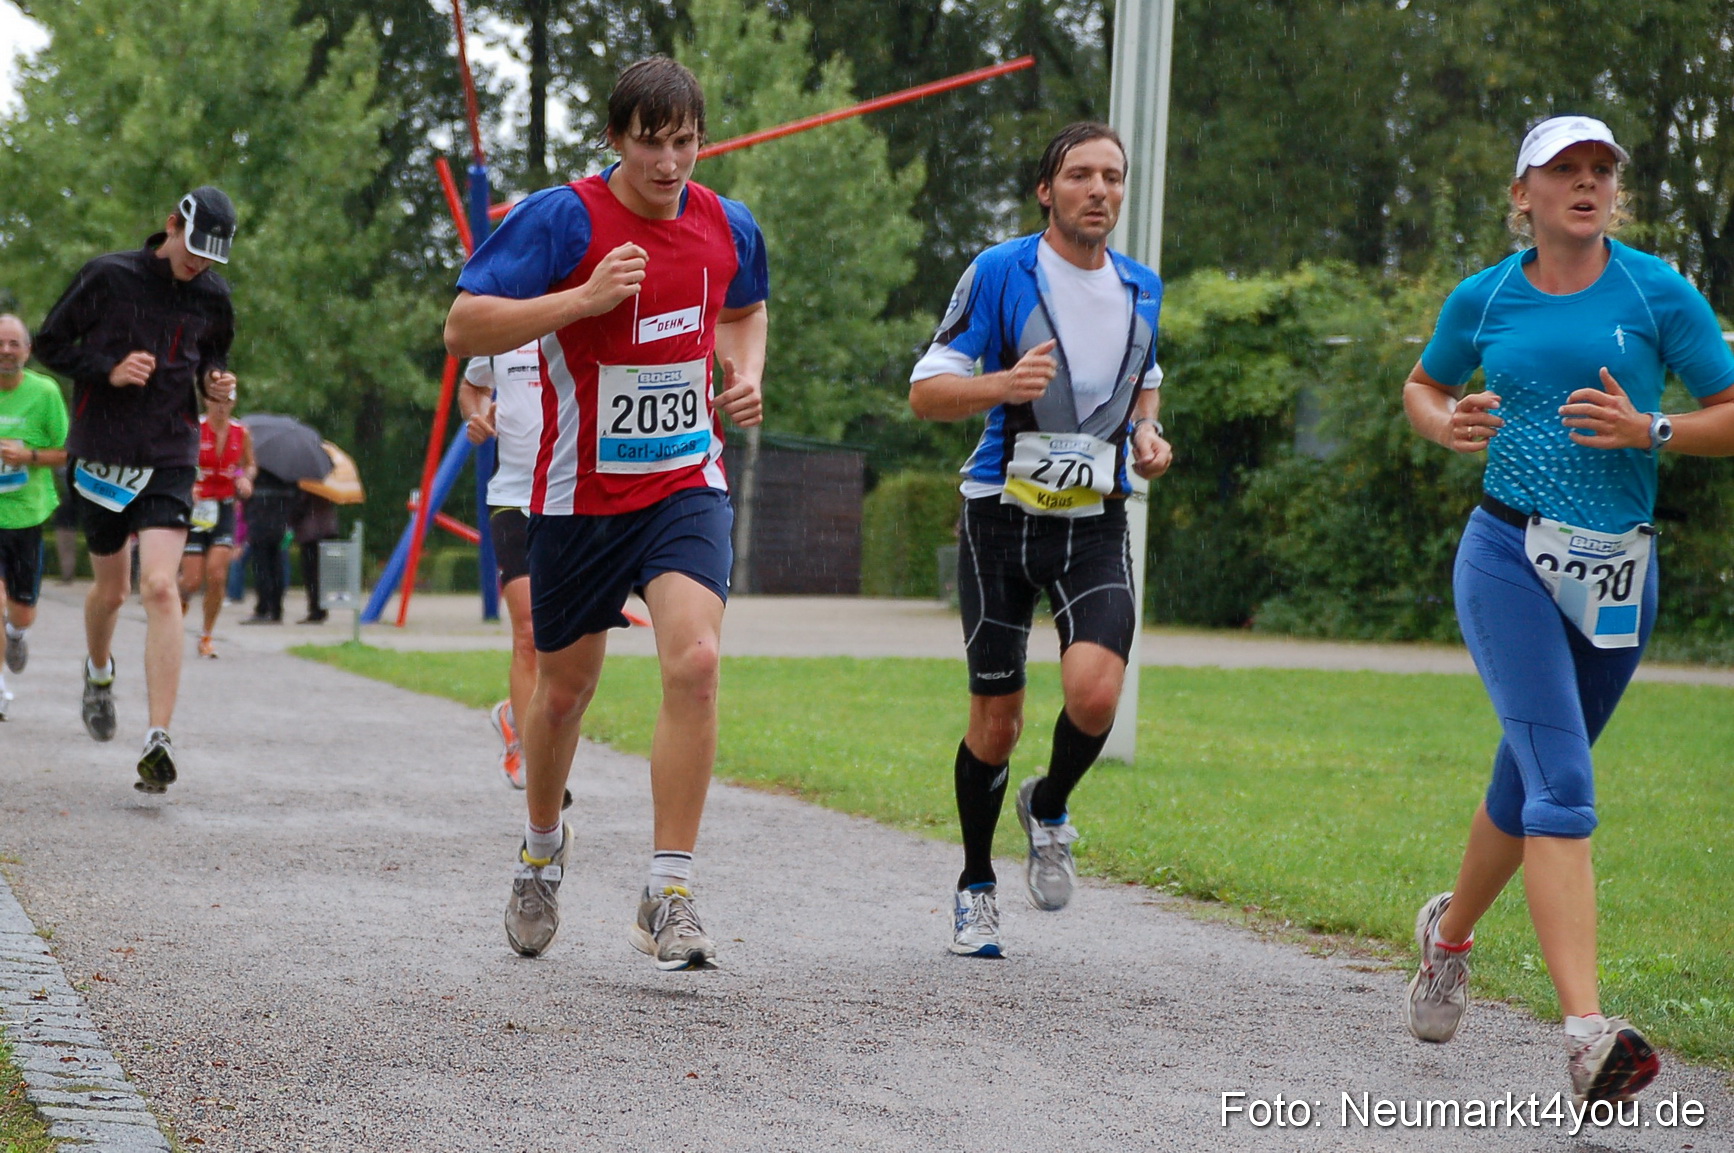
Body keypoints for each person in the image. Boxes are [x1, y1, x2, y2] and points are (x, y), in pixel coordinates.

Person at [1401, 115, 1734, 1103]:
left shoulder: (1655, 289)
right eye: (1565, 171)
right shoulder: (1487, 294)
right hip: (1506, 553)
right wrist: (1446, 422)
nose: (1587, 184)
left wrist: (1652, 426)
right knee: (1565, 787)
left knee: (1529, 777)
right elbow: (1423, 386)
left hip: (1620, 570)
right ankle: (1588, 1033)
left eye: (1601, 171)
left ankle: (1447, 937)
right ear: (1525, 194)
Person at [445, 56, 768, 970]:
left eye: (685, 142)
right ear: (616, 140)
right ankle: (542, 848)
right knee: (563, 692)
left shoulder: (726, 223)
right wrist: (581, 300)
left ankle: (669, 890)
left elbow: (747, 308)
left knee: (697, 659)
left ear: (702, 139)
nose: (670, 164)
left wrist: (744, 378)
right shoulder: (562, 219)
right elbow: (464, 327)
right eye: (650, 143)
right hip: (573, 494)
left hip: (681, 480)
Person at [908, 123, 1171, 958]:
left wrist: (1149, 437)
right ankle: (976, 882)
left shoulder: (1143, 287)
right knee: (998, 719)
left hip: (1093, 521)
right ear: (1046, 190)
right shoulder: (1000, 271)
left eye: (1113, 177)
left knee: (1095, 693)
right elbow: (926, 389)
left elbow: (1144, 382)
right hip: (999, 518)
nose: (1100, 190)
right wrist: (1001, 384)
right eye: (1082, 175)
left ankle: (1049, 804)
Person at [34, 186, 239, 791]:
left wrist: (218, 385)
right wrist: (110, 368)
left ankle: (158, 739)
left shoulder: (213, 295)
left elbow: (213, 358)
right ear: (172, 225)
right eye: (193, 249)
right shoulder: (106, 276)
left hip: (172, 451)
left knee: (158, 585)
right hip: (101, 451)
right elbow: (50, 345)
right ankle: (99, 671)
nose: (198, 264)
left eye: (210, 256)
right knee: (111, 591)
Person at [459, 346, 545, 789]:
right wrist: (477, 417)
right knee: (529, 633)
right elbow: (473, 384)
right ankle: (533, 758)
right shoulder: (502, 321)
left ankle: (516, 714)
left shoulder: (583, 307)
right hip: (513, 493)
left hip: (578, 496)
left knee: (572, 643)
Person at [0, 315, 71, 719]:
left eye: (14, 343)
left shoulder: (45, 393)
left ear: (27, 350)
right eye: (0, 343)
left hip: (27, 515)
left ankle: (17, 633)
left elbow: (67, 453)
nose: (6, 351)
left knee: (21, 609)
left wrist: (25, 455)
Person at [179, 390, 254, 657]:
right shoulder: (194, 429)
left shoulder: (240, 432)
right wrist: (187, 485)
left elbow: (250, 464)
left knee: (217, 574)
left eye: (227, 402)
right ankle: (175, 616)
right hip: (197, 508)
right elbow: (177, 461)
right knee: (191, 580)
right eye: (216, 401)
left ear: (233, 403)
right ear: (207, 401)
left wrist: (245, 478)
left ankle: (206, 635)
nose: (221, 407)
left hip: (223, 508)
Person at [241, 467, 295, 625]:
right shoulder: (287, 472)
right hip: (279, 524)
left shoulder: (255, 470)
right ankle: (277, 609)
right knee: (276, 566)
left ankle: (263, 608)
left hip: (260, 524)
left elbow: (246, 496)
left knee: (262, 567)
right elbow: (294, 498)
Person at [290, 490, 338, 624]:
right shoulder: (329, 485)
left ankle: (316, 610)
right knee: (322, 573)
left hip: (310, 532)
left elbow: (299, 508)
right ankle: (321, 608)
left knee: (311, 573)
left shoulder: (307, 485)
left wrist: (290, 520)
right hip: (327, 529)